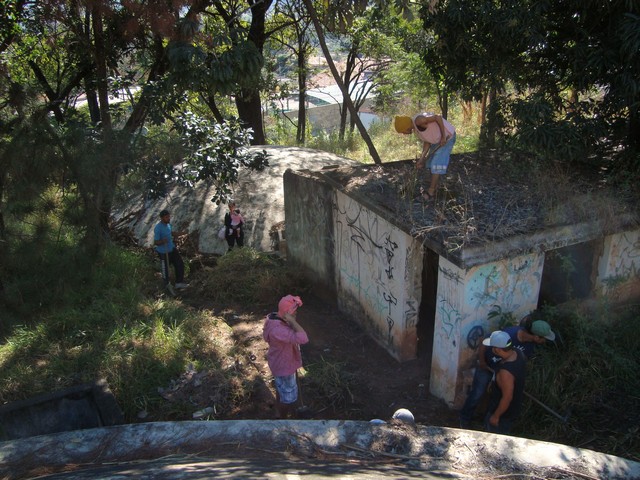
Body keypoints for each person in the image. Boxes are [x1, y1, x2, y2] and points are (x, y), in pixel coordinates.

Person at [262, 295, 309, 418]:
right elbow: (303, 338)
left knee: (281, 389)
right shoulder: (279, 331)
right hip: (284, 367)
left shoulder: (274, 319)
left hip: (279, 362)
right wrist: (293, 322)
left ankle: (278, 411)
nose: (296, 314)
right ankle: (283, 418)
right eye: (294, 313)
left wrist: (290, 321)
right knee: (288, 398)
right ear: (286, 315)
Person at [394, 113, 456, 201]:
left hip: (447, 137)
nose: (404, 134)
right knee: (429, 163)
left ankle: (431, 192)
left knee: (436, 164)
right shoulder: (416, 128)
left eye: (403, 131)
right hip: (437, 140)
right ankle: (436, 185)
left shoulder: (419, 121)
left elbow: (438, 118)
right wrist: (421, 159)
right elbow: (427, 142)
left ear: (406, 127)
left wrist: (443, 137)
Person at [482, 330, 526, 434]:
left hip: (502, 415)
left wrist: (496, 416)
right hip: (513, 409)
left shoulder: (505, 373)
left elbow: (507, 397)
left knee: (493, 440)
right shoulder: (518, 353)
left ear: (497, 349)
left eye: (493, 347)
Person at [459, 331, 503, 428]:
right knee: (477, 393)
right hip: (486, 367)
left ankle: (487, 421)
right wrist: (482, 362)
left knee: (496, 397)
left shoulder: (506, 352)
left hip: (500, 372)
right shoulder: (493, 339)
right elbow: (483, 345)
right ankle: (465, 418)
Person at [153, 209, 188, 293]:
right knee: (166, 270)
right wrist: (162, 241)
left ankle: (179, 283)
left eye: (169, 216)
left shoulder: (168, 225)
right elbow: (156, 242)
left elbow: (171, 233)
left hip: (171, 248)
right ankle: (167, 286)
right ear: (162, 218)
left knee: (179, 264)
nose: (168, 218)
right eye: (166, 217)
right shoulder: (158, 228)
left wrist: (182, 233)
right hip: (163, 252)